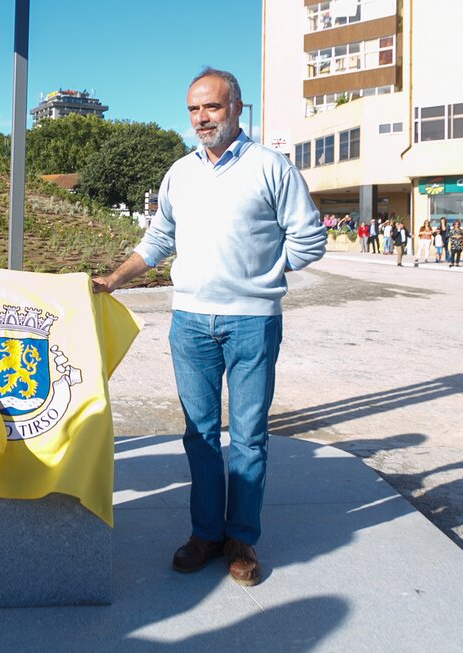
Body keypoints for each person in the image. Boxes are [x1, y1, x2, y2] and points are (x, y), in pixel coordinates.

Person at [92, 67, 326, 587]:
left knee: (248, 437)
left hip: (253, 322)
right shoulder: (179, 173)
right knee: (198, 435)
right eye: (194, 109)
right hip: (190, 323)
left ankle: (240, 538)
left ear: (237, 108)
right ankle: (205, 533)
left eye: (212, 107)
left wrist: (264, 272)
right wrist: (113, 279)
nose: (201, 118)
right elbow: (158, 239)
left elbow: (309, 238)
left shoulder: (271, 167)